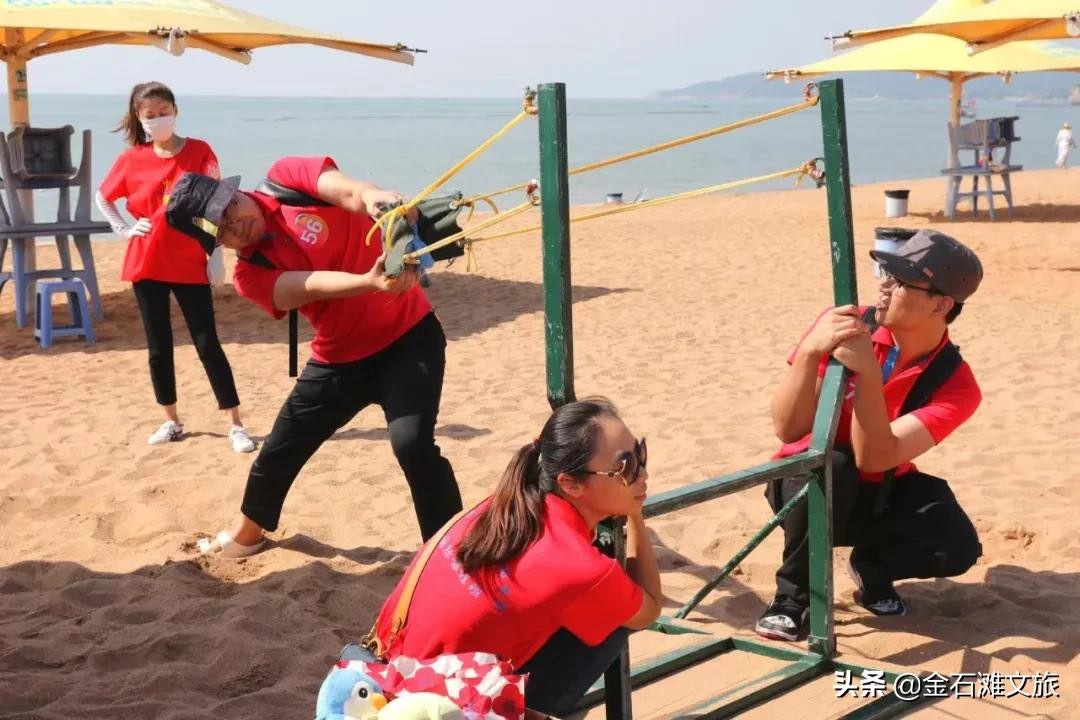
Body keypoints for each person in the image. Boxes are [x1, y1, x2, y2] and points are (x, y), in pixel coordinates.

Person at [163, 156, 462, 556]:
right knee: (281, 448)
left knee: (413, 446)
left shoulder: (287, 178)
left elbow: (351, 192)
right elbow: (309, 285)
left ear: (235, 192)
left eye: (231, 210)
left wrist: (375, 199)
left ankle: (450, 552)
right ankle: (247, 535)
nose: (237, 227)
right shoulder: (249, 276)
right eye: (222, 231)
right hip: (339, 361)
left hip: (410, 339)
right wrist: (368, 281)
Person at [755, 230, 985, 642]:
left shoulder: (956, 383)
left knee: (957, 545)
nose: (884, 286)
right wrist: (809, 352)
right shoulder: (846, 324)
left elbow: (877, 458)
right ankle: (793, 597)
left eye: (901, 281)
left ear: (942, 304)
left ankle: (873, 567)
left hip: (877, 487)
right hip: (803, 486)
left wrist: (867, 377)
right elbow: (788, 428)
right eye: (886, 274)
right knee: (835, 464)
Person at [371, 398, 661, 719]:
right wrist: (635, 514)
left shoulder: (503, 505)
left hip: (384, 677)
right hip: (435, 708)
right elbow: (648, 610)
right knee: (615, 616)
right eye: (625, 468)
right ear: (570, 483)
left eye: (640, 454)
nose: (643, 473)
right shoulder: (580, 566)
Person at [96, 81, 255, 453]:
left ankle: (236, 424)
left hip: (189, 261)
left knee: (207, 343)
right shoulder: (132, 158)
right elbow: (103, 196)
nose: (158, 120)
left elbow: (217, 204)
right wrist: (123, 229)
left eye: (163, 112)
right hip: (146, 261)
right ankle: (171, 420)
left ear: (175, 110)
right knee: (158, 346)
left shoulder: (200, 151)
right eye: (150, 115)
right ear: (140, 119)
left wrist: (215, 253)